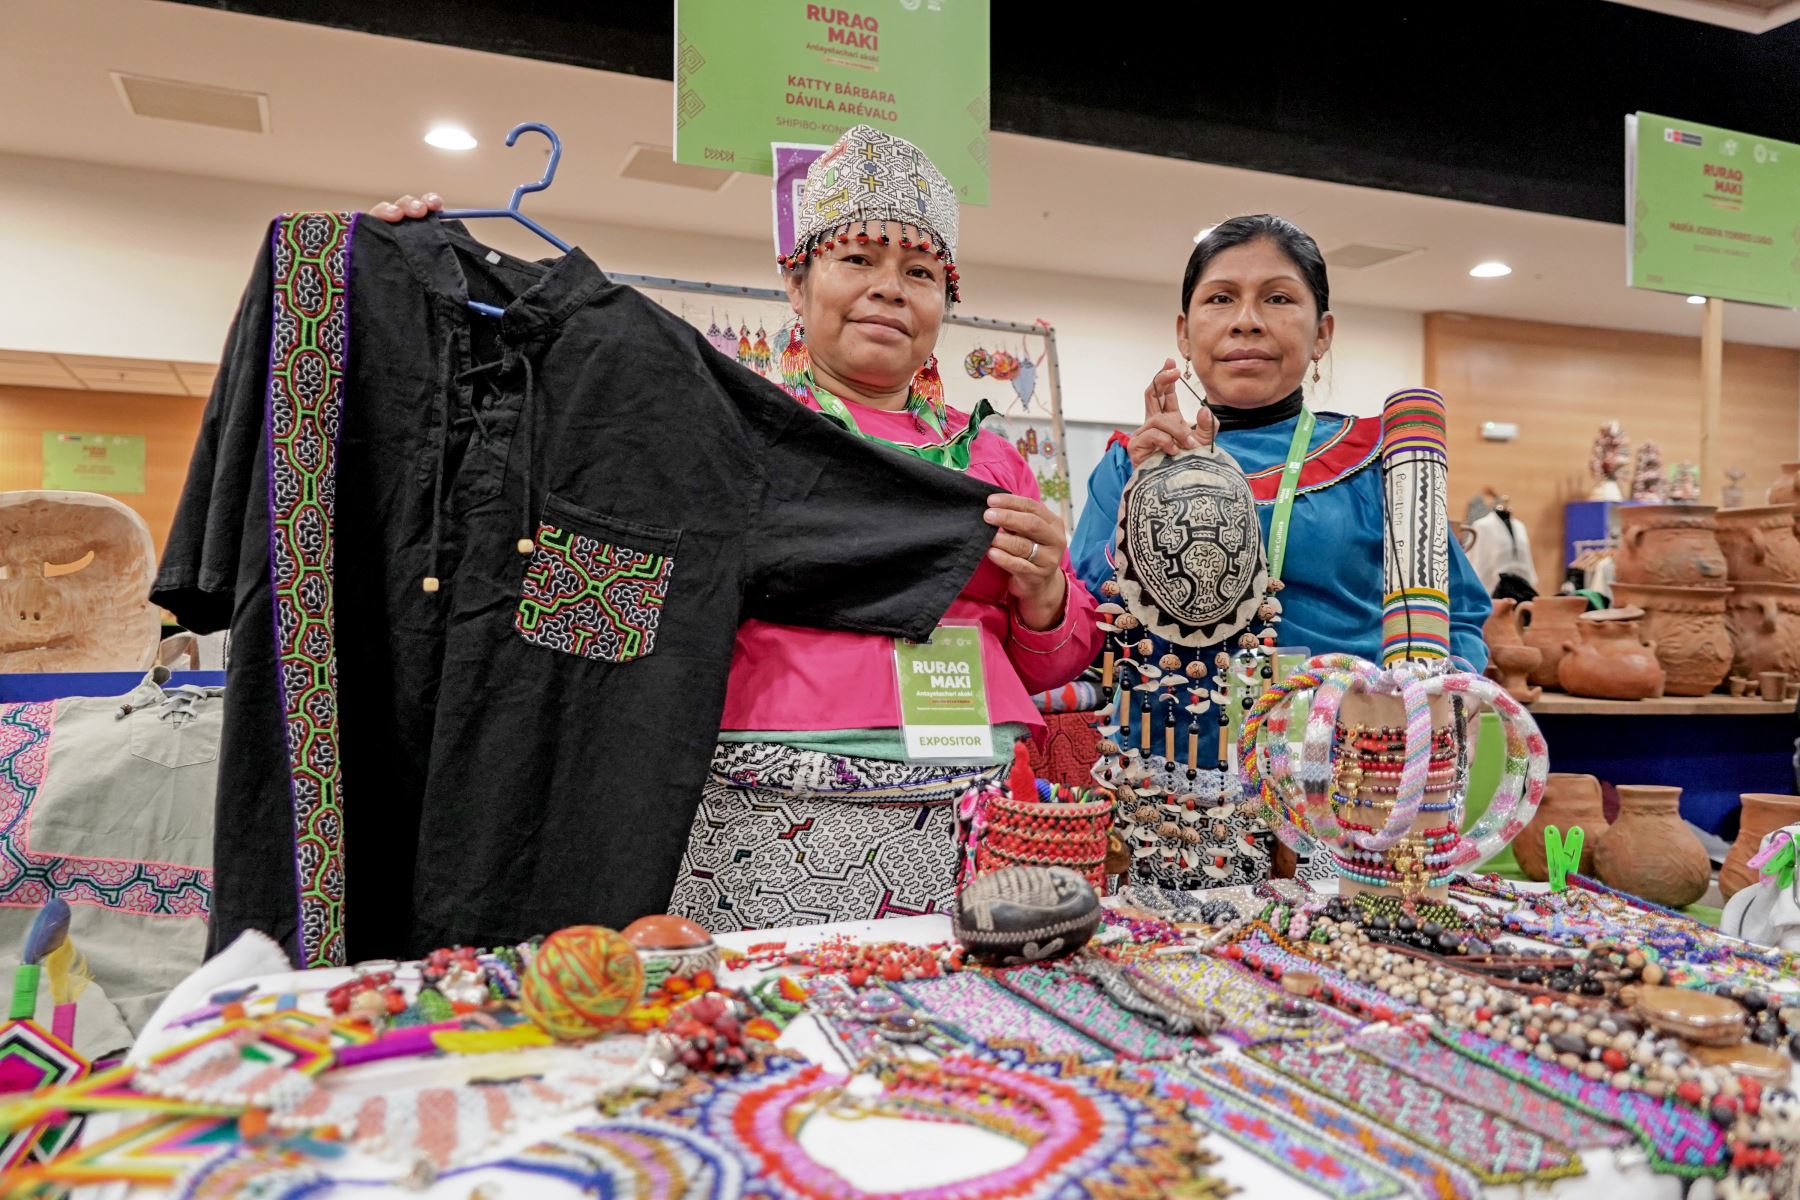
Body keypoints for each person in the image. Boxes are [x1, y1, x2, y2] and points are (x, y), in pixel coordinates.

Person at [373, 126, 1099, 932]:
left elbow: (1055, 661)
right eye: (858, 260)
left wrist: (1044, 595)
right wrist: (411, 277)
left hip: (981, 798)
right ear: (797, 283)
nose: (891, 290)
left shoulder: (991, 456)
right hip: (774, 798)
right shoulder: (723, 430)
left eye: (920, 273)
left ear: (944, 303)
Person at [1069, 214, 1490, 885]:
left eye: (1279, 297)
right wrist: (1150, 500)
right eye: (1220, 298)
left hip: (1351, 788)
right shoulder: (1132, 463)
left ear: (1322, 332)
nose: (1246, 321)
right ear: (1184, 330)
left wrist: (1420, 729)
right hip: (1180, 794)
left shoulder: (1382, 459)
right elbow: (1087, 620)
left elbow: (1459, 620)